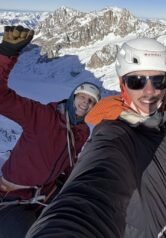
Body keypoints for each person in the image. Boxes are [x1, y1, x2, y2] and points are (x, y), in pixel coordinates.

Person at [26, 38, 166, 238]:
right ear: (123, 85)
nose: (149, 91)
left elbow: (161, 176)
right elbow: (92, 188)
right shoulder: (114, 132)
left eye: (158, 80)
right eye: (137, 81)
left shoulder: (154, 127)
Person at [0, 25, 101, 237]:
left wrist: (67, 180)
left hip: (46, 199)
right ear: (73, 96)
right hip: (13, 198)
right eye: (82, 96)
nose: (85, 103)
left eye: (91, 101)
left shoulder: (82, 132)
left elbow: (68, 163)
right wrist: (6, 54)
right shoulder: (42, 116)